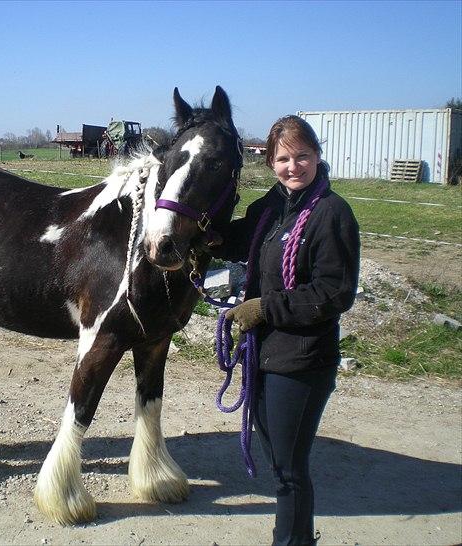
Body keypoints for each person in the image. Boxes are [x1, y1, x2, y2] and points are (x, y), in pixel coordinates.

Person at [218, 115, 360, 545]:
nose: (293, 166)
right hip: (265, 356)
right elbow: (234, 241)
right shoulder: (271, 208)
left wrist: (264, 307)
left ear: (317, 156)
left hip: (302, 360)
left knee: (288, 471)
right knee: (282, 466)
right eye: (283, 158)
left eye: (303, 156)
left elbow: (334, 292)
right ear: (270, 162)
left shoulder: (331, 214)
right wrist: (198, 229)